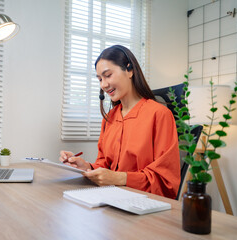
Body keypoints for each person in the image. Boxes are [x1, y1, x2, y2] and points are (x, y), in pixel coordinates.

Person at [59, 45, 180, 199]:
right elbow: (105, 166)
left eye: (108, 75)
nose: (103, 85)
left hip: (143, 204)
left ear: (129, 70)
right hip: (110, 199)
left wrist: (120, 178)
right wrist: (86, 166)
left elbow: (166, 182)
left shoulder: (159, 115)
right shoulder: (109, 118)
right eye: (100, 79)